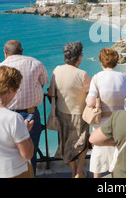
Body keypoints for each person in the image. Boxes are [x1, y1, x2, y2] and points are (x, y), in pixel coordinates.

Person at [0, 40, 48, 173]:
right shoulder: (36, 64)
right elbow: (42, 84)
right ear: (22, 50)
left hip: (4, 117)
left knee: (7, 155)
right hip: (30, 115)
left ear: (5, 53)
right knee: (31, 153)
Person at [47, 41, 91, 178]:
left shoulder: (57, 70)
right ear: (78, 57)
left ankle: (73, 172)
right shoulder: (82, 74)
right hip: (80, 114)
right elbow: (91, 94)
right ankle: (79, 171)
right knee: (82, 143)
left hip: (61, 112)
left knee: (67, 143)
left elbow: (50, 92)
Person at [85, 48, 126, 178]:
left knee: (98, 151)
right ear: (116, 62)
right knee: (116, 150)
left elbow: (90, 102)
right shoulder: (123, 77)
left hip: (102, 122)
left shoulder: (97, 78)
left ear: (101, 62)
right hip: (119, 120)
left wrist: (88, 97)